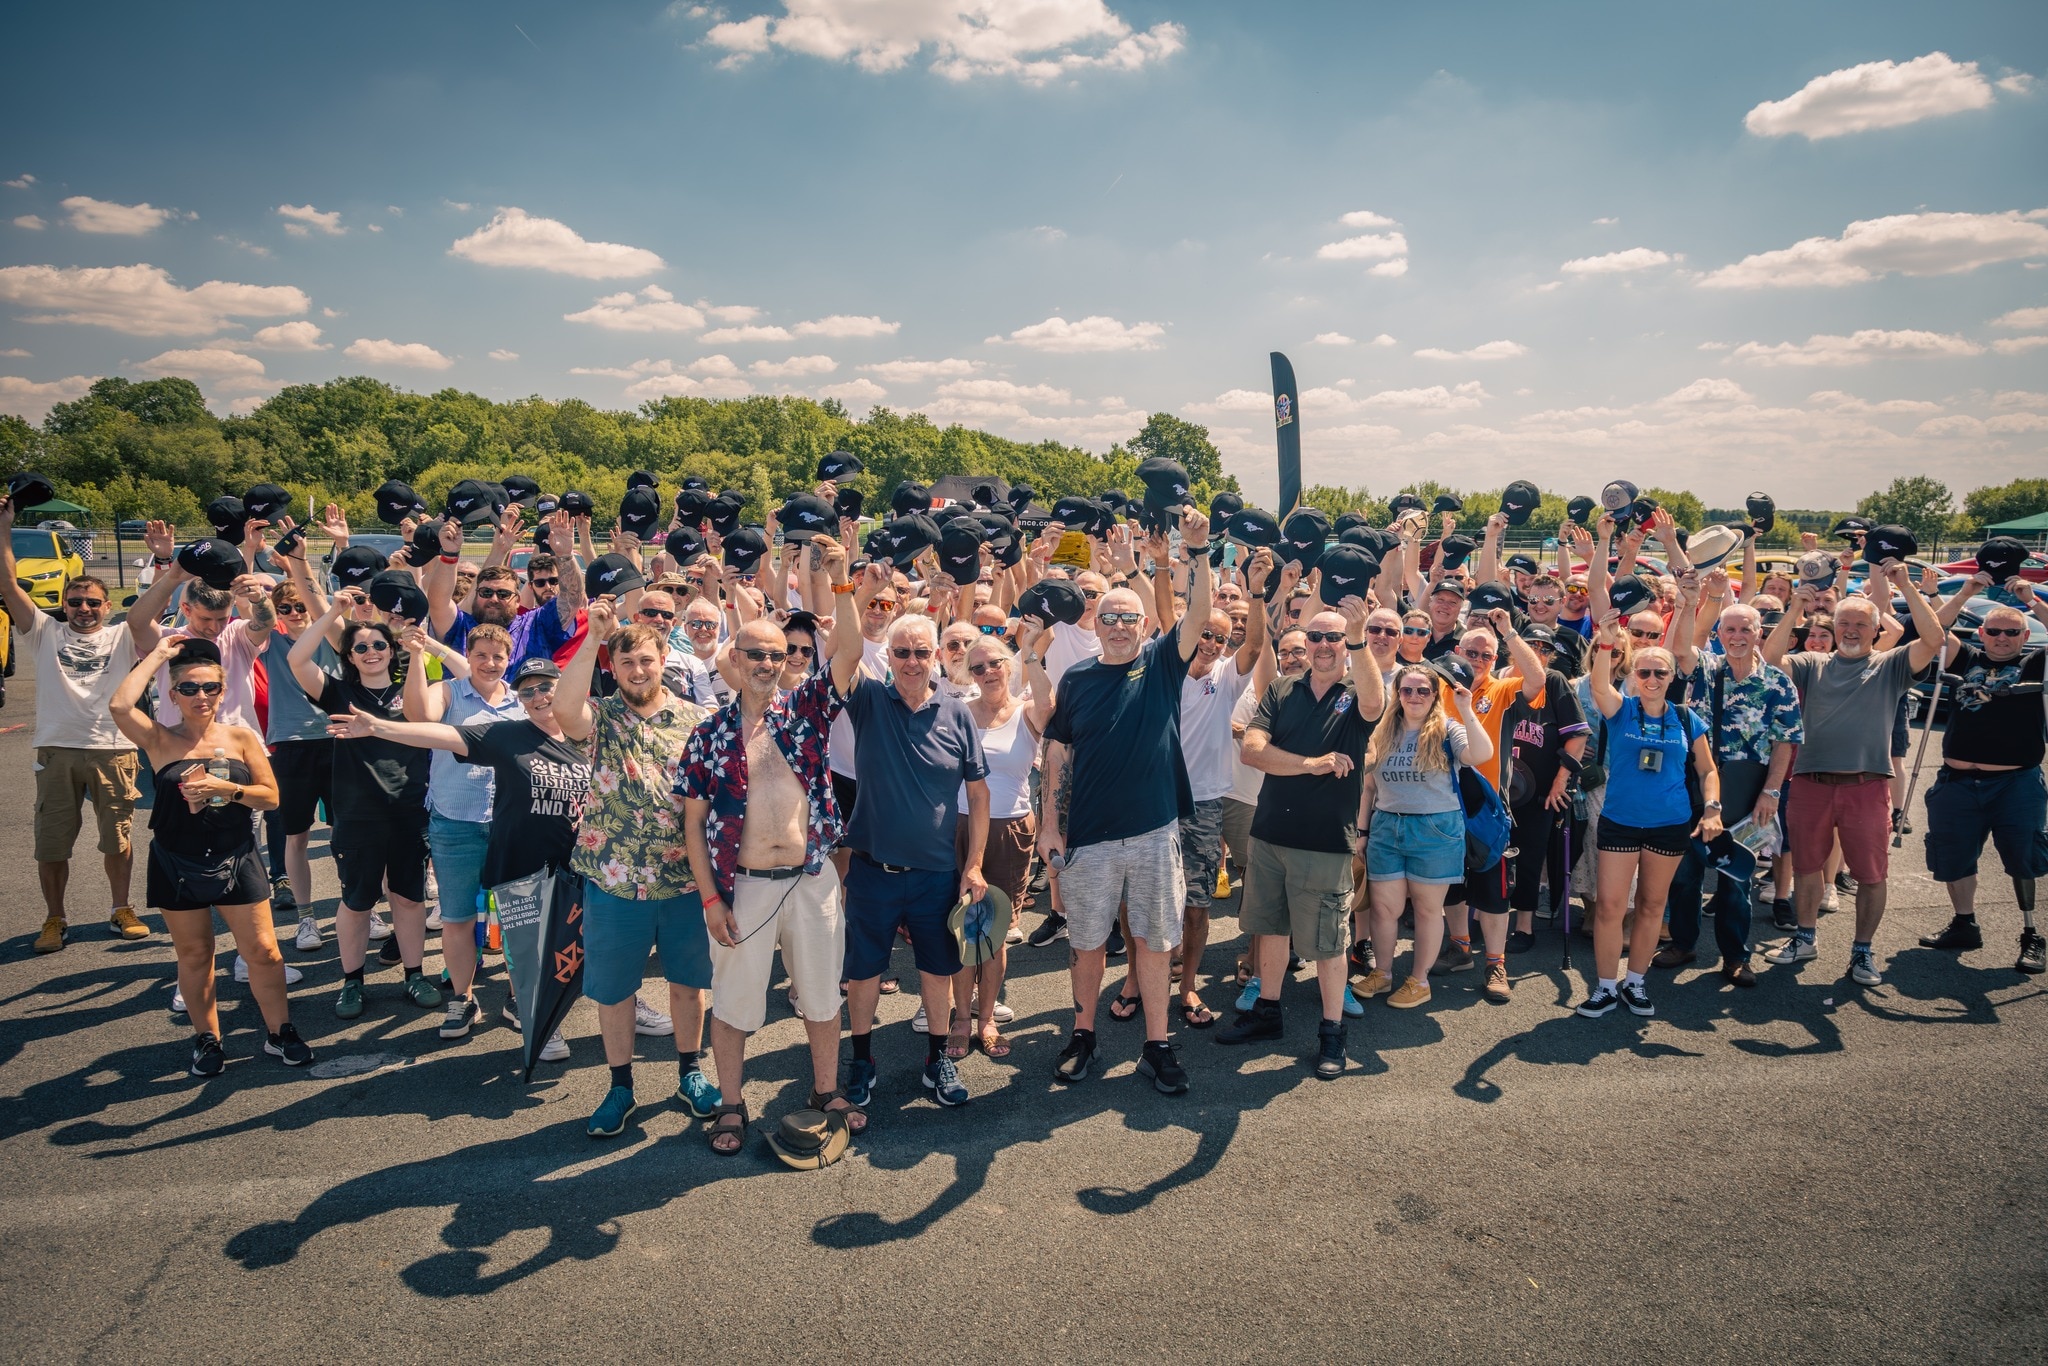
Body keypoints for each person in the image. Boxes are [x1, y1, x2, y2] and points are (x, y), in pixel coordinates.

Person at [681, 562, 866, 1156]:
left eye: (777, 654)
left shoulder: (807, 711)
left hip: (811, 881)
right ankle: (731, 1106)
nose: (766, 663)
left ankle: (825, 1092)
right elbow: (693, 826)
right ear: (734, 661)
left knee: (820, 996)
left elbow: (852, 649)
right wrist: (710, 898)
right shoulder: (708, 735)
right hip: (744, 888)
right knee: (734, 1005)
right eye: (754, 654)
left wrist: (841, 581)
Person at [326, 656, 589, 1053]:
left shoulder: (590, 733)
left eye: (546, 686)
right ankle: (531, 1016)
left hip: (581, 860)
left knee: (582, 941)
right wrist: (378, 726)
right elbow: (443, 736)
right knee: (523, 941)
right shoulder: (508, 734)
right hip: (522, 859)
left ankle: (609, 1003)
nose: (537, 697)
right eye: (527, 691)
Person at [1038, 504, 1213, 1096]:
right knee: (1087, 942)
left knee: (1154, 940)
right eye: (1108, 617)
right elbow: (1057, 756)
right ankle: (1082, 1035)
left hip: (1152, 834)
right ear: (1097, 622)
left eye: (1128, 618)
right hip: (1088, 836)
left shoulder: (1163, 664)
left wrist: (1197, 553)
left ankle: (1157, 1046)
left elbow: (1200, 615)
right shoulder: (1077, 680)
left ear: (1142, 625)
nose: (1117, 626)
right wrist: (1049, 826)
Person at [555, 596, 719, 1138]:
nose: (638, 671)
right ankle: (619, 1086)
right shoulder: (600, 717)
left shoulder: (698, 720)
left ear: (661, 661)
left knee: (688, 986)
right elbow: (563, 709)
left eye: (646, 660)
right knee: (616, 989)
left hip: (683, 880)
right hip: (613, 881)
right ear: (614, 667)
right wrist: (593, 637)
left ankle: (690, 1072)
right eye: (626, 663)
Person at [109, 637, 312, 1076]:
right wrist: (159, 656)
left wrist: (229, 790)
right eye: (188, 688)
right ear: (173, 695)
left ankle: (280, 1033)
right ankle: (207, 1039)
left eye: (209, 688)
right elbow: (120, 707)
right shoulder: (160, 739)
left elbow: (272, 798)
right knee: (196, 953)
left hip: (236, 856)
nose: (200, 696)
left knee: (264, 952)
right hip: (176, 860)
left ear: (222, 692)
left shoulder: (241, 737)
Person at [834, 564, 990, 1109]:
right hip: (874, 870)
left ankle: (936, 1061)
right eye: (901, 653)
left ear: (937, 657)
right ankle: (861, 1059)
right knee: (863, 973)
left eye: (921, 652)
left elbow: (977, 796)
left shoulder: (957, 713)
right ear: (890, 658)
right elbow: (847, 652)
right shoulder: (870, 700)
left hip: (935, 875)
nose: (911, 662)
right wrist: (847, 587)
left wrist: (973, 865)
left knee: (938, 971)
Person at [1219, 597, 1384, 1077]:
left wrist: (1358, 638)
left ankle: (1332, 1035)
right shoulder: (1282, 689)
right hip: (1269, 834)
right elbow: (1252, 750)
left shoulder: (1357, 691)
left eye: (1335, 638)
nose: (1324, 646)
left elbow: (1375, 704)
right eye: (1316, 637)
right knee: (1269, 928)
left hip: (1326, 841)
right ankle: (1267, 1012)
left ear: (1348, 645)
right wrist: (1312, 764)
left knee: (1330, 943)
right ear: (1305, 643)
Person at [1762, 564, 1943, 985]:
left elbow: (1933, 639)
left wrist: (1904, 586)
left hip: (1867, 785)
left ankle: (1862, 952)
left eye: (1861, 623)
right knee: (1806, 868)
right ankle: (1805, 938)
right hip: (1810, 783)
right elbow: (1769, 659)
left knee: (1871, 874)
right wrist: (1797, 607)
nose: (1851, 629)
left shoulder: (1892, 664)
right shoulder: (1812, 662)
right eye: (1844, 622)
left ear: (1876, 628)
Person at [1, 492, 149, 953]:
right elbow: (8, 584)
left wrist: (166, 562)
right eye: (76, 602)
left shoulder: (124, 635)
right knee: (52, 844)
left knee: (118, 840)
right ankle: (54, 918)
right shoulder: (43, 632)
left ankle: (120, 910)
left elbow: (152, 605)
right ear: (64, 605)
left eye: (92, 602)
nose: (84, 608)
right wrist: (4, 527)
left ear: (107, 606)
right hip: (57, 749)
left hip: (114, 749)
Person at [290, 592, 439, 1018]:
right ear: (350, 657)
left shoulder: (410, 691)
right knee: (357, 901)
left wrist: (417, 650)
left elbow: (428, 723)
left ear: (391, 651)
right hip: (357, 813)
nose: (371, 652)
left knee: (409, 899)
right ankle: (351, 983)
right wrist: (332, 613)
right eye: (360, 647)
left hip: (410, 810)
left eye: (379, 645)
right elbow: (298, 661)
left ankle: (414, 974)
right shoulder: (338, 693)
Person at [1577, 612, 1721, 1018]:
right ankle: (1605, 986)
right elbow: (1598, 684)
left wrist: (1712, 808)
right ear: (1635, 674)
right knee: (1608, 907)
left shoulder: (1685, 718)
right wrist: (1606, 644)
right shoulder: (1621, 709)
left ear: (1672, 675)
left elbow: (1707, 770)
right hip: (1620, 819)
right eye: (1645, 672)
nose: (1652, 679)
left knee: (1652, 907)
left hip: (1669, 825)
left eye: (1660, 672)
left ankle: (1635, 982)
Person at [1658, 600, 1801, 986]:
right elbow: (1681, 649)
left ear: (1759, 634)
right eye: (1730, 630)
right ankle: (1683, 943)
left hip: (1749, 789)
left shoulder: (1777, 682)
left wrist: (1771, 791)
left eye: (1745, 630)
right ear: (1719, 634)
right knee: (1685, 875)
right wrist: (1689, 603)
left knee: (1736, 880)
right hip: (1696, 784)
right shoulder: (1704, 669)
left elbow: (1785, 741)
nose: (1737, 637)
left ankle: (1736, 956)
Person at [1916, 584, 2048, 973]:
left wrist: (2029, 600)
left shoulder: (2035, 664)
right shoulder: (1965, 656)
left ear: (2025, 636)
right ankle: (1964, 923)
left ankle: (2030, 933)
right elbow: (1935, 631)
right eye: (1994, 631)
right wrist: (1964, 591)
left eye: (2011, 632)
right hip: (1957, 781)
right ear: (1982, 633)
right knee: (1952, 853)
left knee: (2023, 855)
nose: (2002, 638)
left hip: (2015, 783)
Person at [1355, 663, 1491, 1009]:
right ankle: (1382, 973)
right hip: (1386, 826)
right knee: (1385, 909)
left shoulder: (1448, 729)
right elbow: (1368, 787)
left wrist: (1465, 708)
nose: (1414, 696)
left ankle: (1419, 980)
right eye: (1406, 690)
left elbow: (1482, 754)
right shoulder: (1382, 731)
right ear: (1397, 694)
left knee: (1429, 909)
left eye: (1423, 691)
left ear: (1434, 695)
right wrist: (1362, 832)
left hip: (1435, 829)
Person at [955, 633, 1047, 1057]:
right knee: (959, 928)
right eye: (978, 667)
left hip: (1011, 831)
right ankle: (959, 1018)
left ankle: (986, 1017)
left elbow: (1049, 703)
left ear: (1009, 667)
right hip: (957, 828)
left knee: (992, 933)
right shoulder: (956, 712)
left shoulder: (1028, 712)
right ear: (967, 674)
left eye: (995, 663)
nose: (988, 672)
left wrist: (1031, 650)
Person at [260, 554, 336, 953]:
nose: (293, 613)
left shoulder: (333, 637)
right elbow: (247, 612)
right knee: (296, 836)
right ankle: (306, 918)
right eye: (284, 608)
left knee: (348, 835)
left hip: (337, 740)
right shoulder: (269, 640)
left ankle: (362, 907)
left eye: (300, 606)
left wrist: (301, 565)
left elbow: (327, 605)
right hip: (290, 745)